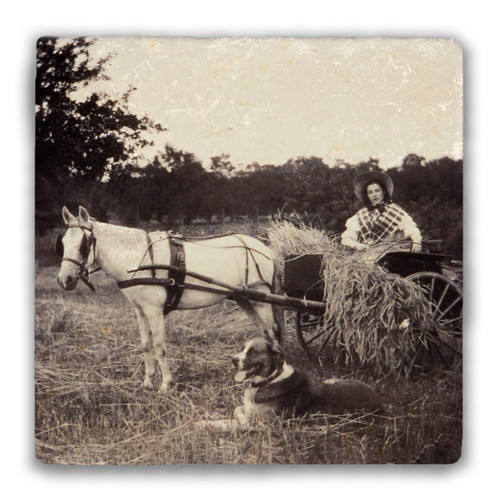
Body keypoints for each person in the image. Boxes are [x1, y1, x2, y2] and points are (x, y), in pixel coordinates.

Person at [341, 170, 422, 252]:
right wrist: (357, 245)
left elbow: (410, 227)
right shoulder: (361, 215)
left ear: (383, 192)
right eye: (370, 192)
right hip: (367, 255)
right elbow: (346, 238)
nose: (374, 195)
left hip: (390, 253)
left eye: (377, 191)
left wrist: (416, 240)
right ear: (367, 195)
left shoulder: (395, 211)